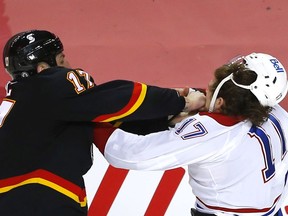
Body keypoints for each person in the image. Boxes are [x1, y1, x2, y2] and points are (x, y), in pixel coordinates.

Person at [0, 29, 206, 216]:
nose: (68, 66)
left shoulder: (25, 104)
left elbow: (106, 120)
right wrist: (180, 101)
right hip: (40, 199)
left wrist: (167, 118)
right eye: (62, 60)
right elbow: (114, 97)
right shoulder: (51, 85)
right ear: (43, 68)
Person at [94, 53, 288, 216]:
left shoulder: (214, 132)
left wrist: (90, 121)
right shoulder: (277, 113)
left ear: (220, 102)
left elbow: (128, 154)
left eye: (210, 88)